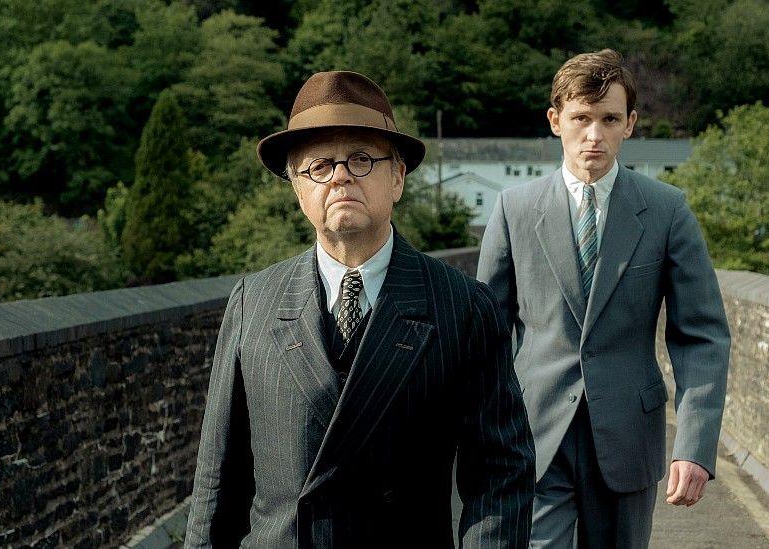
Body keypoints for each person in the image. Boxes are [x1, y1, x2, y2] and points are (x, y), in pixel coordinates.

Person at [184, 70, 535, 549]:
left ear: (398, 177)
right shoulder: (254, 303)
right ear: (297, 189)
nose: (341, 176)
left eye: (361, 159)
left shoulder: (461, 305)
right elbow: (217, 479)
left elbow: (501, 475)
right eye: (319, 166)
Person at [477, 49, 731, 548]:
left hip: (628, 436)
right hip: (535, 432)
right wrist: (485, 434)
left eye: (609, 119)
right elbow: (485, 334)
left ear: (630, 124)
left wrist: (695, 445)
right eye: (581, 118)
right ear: (556, 120)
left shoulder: (666, 210)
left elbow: (701, 335)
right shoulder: (513, 209)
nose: (594, 135)